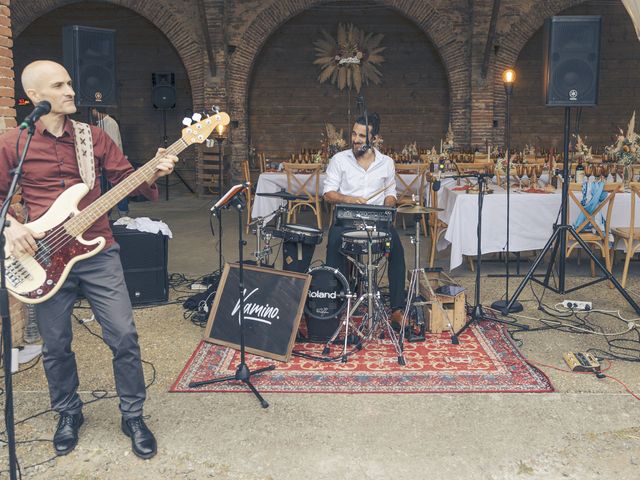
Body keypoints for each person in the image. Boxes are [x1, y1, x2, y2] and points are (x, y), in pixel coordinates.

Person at [0, 60, 178, 459]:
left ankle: (132, 415)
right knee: (56, 345)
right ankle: (68, 413)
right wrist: (10, 225)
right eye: (59, 85)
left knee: (124, 335)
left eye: (69, 83)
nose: (70, 91)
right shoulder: (15, 142)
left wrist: (154, 173)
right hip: (43, 256)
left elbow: (125, 178)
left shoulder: (93, 137)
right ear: (36, 97)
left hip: (97, 248)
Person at [323, 113, 406, 328]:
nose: (356, 139)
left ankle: (397, 309)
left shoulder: (386, 163)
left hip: (378, 221)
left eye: (362, 135)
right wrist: (349, 199)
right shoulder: (339, 160)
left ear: (375, 138)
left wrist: (388, 205)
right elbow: (328, 194)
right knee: (333, 243)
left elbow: (391, 193)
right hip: (347, 220)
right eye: (354, 133)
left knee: (397, 250)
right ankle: (335, 306)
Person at [90, 106, 129, 215]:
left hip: (113, 162)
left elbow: (113, 144)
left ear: (97, 110)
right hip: (104, 163)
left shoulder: (110, 123)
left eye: (93, 110)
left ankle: (123, 212)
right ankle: (107, 214)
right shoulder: (100, 123)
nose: (92, 112)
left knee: (117, 188)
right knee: (105, 189)